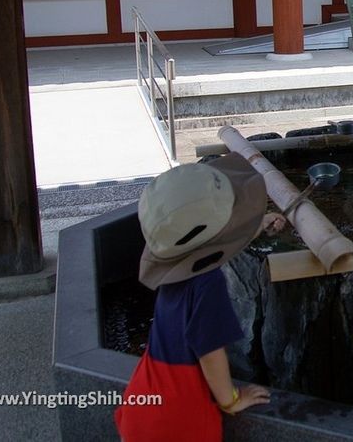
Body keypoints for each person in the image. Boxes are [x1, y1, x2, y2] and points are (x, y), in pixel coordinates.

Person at [114, 153, 287, 441]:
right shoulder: (208, 283)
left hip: (144, 397)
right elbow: (210, 353)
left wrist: (259, 226)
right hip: (180, 414)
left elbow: (209, 241)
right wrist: (230, 399)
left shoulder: (173, 269)